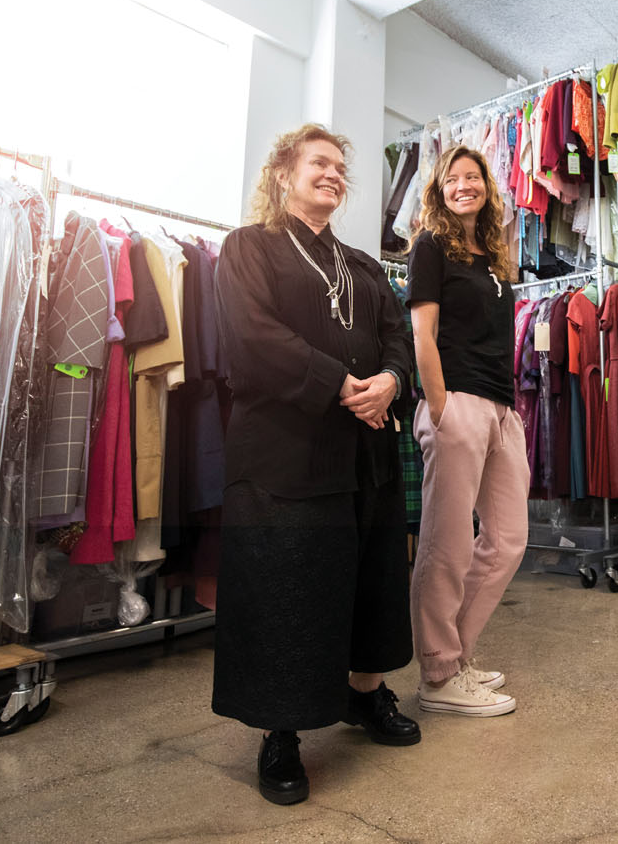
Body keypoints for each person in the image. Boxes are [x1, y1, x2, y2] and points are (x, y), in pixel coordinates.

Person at [213, 125, 419, 806]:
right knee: (288, 592)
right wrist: (338, 382)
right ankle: (282, 732)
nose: (332, 174)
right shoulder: (248, 248)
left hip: (364, 451)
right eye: (318, 163)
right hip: (285, 456)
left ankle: (364, 695)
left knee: (367, 578)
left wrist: (389, 379)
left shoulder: (361, 264)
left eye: (339, 167)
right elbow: (252, 336)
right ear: (283, 174)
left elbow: (397, 337)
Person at [407, 145, 529, 717]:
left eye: (473, 177)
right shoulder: (430, 246)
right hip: (455, 402)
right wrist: (438, 406)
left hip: (501, 409)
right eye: (453, 179)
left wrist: (506, 410)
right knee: (447, 542)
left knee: (506, 540)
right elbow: (422, 334)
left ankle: (457, 659)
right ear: (439, 188)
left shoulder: (495, 258)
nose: (463, 186)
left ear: (486, 186)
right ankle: (437, 671)